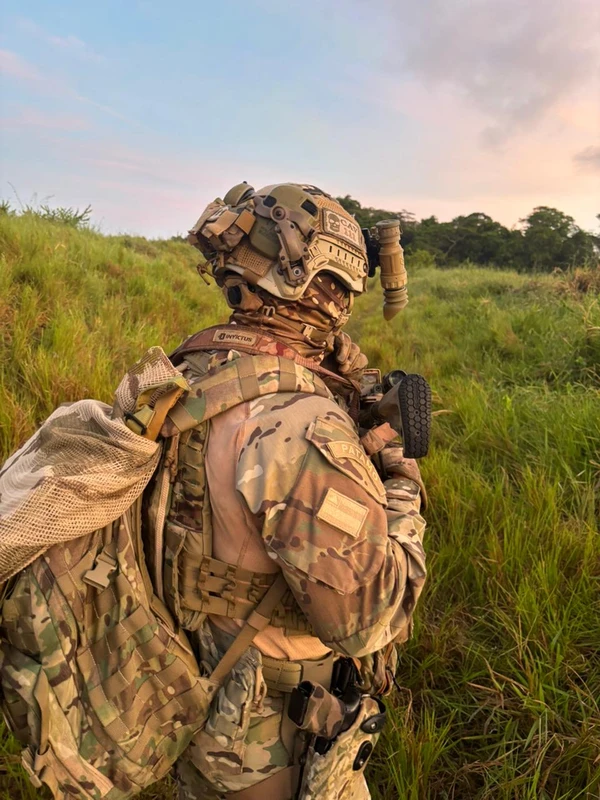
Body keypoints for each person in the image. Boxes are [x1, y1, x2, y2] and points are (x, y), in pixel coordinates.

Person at [147, 182, 428, 800]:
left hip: (194, 696)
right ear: (322, 282)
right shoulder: (296, 424)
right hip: (269, 745)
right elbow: (370, 619)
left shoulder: (191, 370)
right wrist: (401, 476)